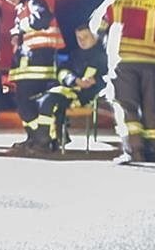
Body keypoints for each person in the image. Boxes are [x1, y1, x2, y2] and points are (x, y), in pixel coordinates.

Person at [89, 0, 155, 165]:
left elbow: (97, 27)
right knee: (151, 107)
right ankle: (151, 151)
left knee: (125, 105)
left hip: (123, 62)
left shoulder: (116, 0)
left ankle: (133, 151)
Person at [10, 24, 106, 155]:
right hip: (66, 90)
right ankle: (36, 138)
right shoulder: (75, 54)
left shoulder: (103, 56)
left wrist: (95, 81)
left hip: (84, 95)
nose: (82, 41)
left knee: (48, 102)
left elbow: (109, 77)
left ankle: (43, 143)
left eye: (85, 37)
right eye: (79, 38)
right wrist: (73, 79)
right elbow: (62, 70)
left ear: (95, 37)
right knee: (29, 103)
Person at [0, 0, 64, 151]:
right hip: (29, 63)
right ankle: (35, 138)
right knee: (25, 104)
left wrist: (19, 28)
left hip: (38, 63)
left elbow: (42, 19)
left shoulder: (34, 1)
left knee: (27, 103)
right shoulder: (22, 8)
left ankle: (41, 139)